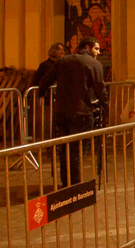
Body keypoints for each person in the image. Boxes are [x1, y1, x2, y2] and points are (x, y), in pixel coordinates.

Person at [39, 36, 108, 188]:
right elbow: (100, 89)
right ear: (88, 47)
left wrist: (41, 94)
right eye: (96, 48)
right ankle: (74, 184)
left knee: (64, 148)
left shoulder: (63, 61)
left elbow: (46, 80)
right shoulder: (94, 64)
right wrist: (106, 106)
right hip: (81, 112)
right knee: (76, 150)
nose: (98, 52)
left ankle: (66, 182)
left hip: (62, 111)